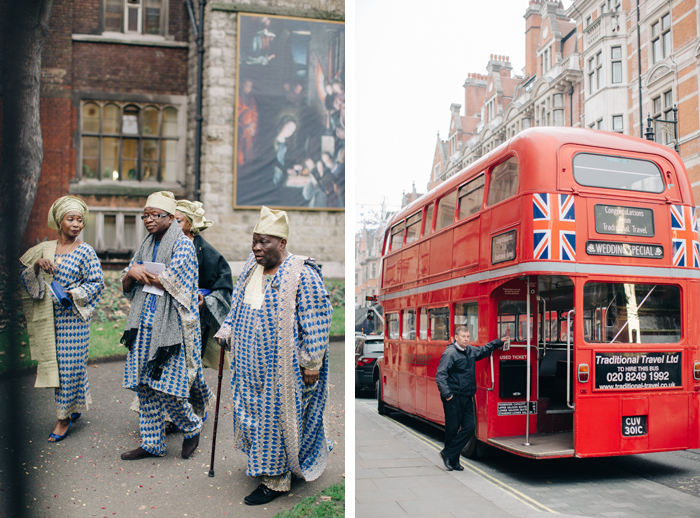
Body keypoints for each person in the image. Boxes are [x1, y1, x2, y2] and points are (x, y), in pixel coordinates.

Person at [215, 206, 333, 506]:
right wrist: (226, 330)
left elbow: (316, 320)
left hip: (283, 367)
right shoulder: (251, 269)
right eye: (254, 240)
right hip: (247, 365)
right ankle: (265, 464)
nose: (256, 247)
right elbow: (238, 307)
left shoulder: (301, 273)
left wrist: (311, 362)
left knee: (276, 420)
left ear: (281, 243)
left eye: (264, 241)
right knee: (253, 416)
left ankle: (275, 481)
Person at [119, 191, 213, 460]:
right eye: (145, 215)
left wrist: (136, 271)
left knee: (166, 386)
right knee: (143, 386)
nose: (148, 220)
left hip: (171, 329)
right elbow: (126, 283)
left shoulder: (183, 245)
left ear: (171, 218)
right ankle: (151, 443)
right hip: (142, 325)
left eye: (155, 215)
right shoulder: (147, 243)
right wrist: (130, 273)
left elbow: (170, 280)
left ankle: (191, 426)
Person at [19, 196, 104, 442]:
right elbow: (24, 278)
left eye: (80, 220)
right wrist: (37, 265)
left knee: (68, 369)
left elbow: (97, 283)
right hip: (49, 319)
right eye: (71, 219)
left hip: (74, 319)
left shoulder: (86, 251)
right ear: (60, 222)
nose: (76, 224)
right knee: (63, 367)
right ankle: (74, 407)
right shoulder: (45, 248)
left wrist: (74, 293)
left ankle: (62, 419)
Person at [435, 326, 509, 471]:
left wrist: (498, 342)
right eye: (463, 336)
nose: (466, 339)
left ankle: (447, 454)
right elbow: (440, 375)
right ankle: (453, 462)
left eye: (468, 336)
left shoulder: (470, 351)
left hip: (467, 397)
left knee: (470, 428)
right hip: (454, 397)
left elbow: (484, 350)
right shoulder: (450, 353)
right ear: (456, 337)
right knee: (452, 430)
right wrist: (448, 395)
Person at [174, 200, 233, 370]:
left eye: (178, 221)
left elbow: (224, 280)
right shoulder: (167, 246)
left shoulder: (204, 250)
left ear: (190, 224)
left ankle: (198, 394)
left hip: (194, 314)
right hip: (170, 310)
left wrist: (206, 299)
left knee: (189, 359)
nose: (173, 225)